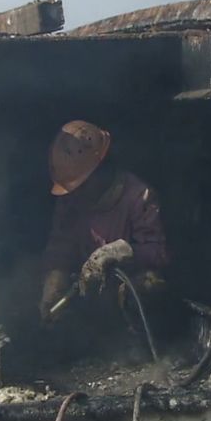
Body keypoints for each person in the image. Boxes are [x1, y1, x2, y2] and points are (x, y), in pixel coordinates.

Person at [37, 121, 171, 354]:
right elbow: (60, 243)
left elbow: (160, 253)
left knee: (149, 285)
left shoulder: (139, 196)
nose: (75, 195)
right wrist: (54, 280)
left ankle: (137, 351)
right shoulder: (71, 199)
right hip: (86, 293)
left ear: (100, 171)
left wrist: (123, 252)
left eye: (81, 187)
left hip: (124, 297)